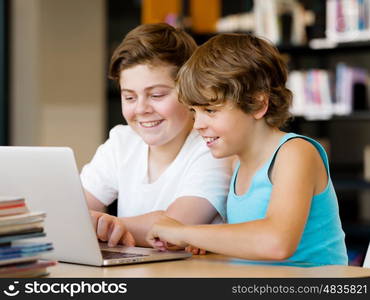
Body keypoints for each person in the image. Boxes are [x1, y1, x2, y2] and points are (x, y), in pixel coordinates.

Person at [146, 33, 348, 266]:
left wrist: (184, 232)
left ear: (258, 104)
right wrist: (210, 241)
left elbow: (276, 242)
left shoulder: (295, 153)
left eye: (210, 110)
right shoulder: (237, 163)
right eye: (194, 111)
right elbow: (253, 248)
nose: (198, 124)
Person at [80, 23, 231, 250]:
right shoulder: (123, 141)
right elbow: (73, 211)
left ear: (190, 91)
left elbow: (173, 228)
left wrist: (106, 226)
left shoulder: (212, 147)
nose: (141, 109)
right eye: (129, 98)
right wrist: (91, 222)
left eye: (157, 95)